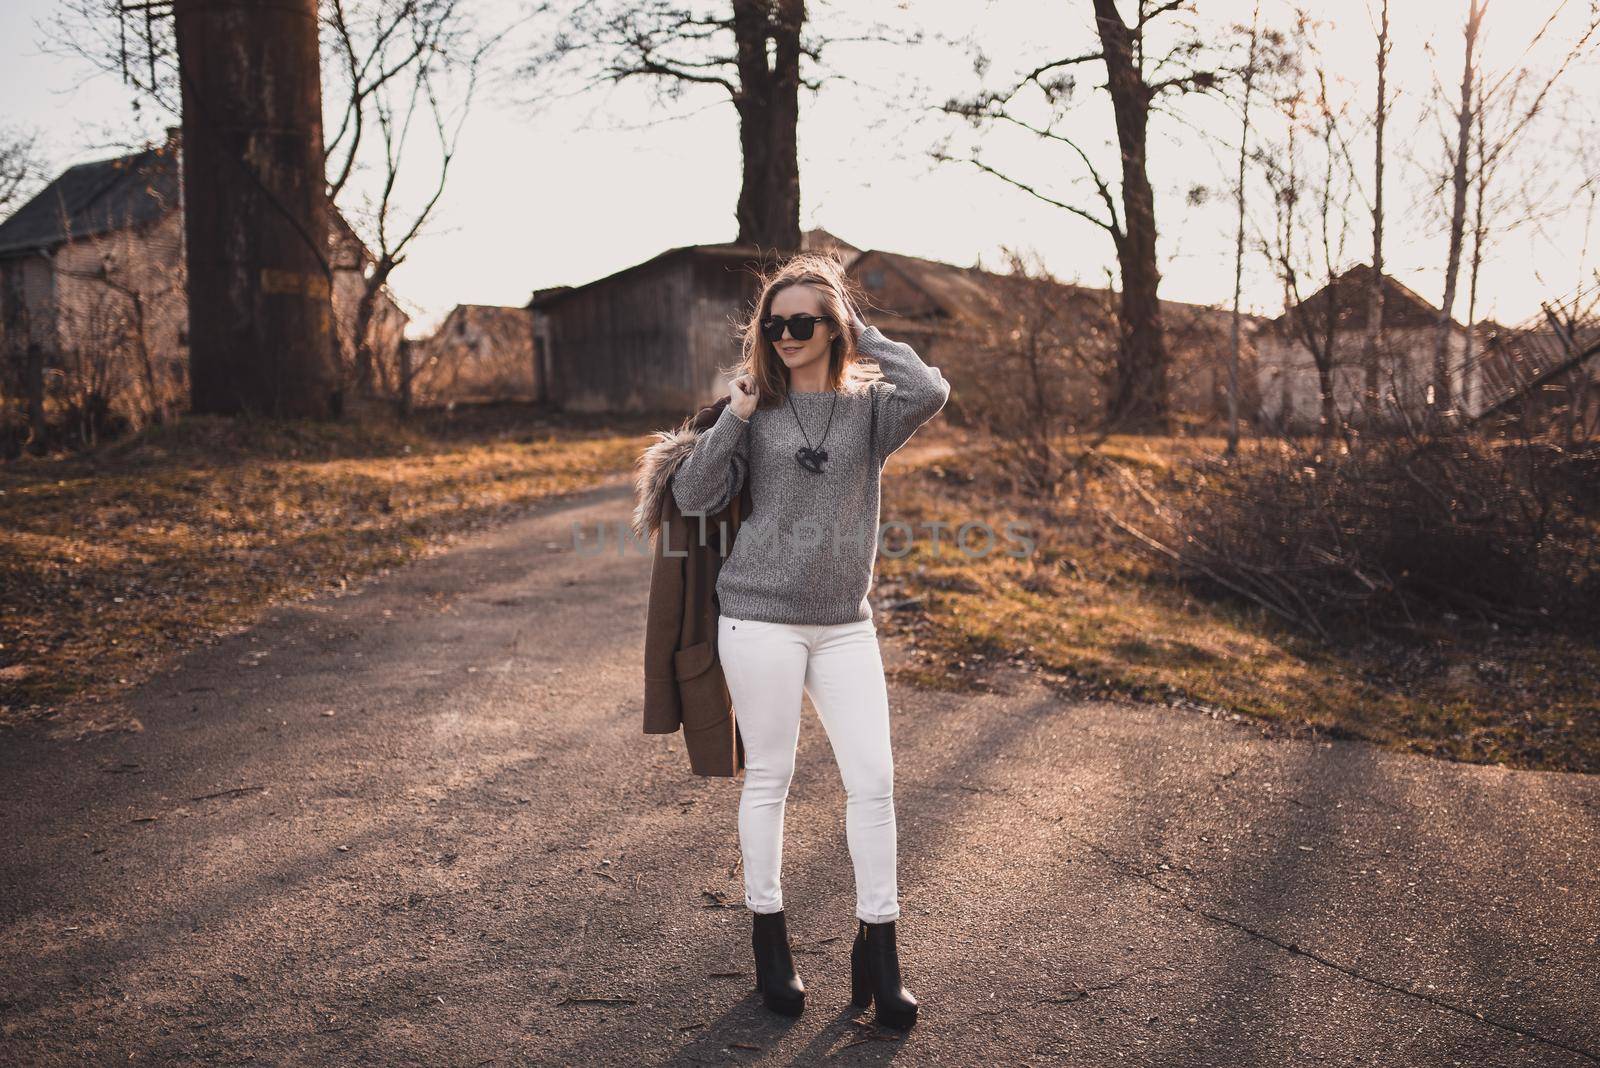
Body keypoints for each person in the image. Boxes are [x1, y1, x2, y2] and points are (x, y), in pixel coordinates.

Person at [670, 251, 951, 1029]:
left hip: (845, 626)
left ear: (833, 328)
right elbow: (691, 495)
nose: (786, 334)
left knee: (875, 780)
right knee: (771, 779)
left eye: (803, 322)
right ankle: (770, 940)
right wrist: (737, 415)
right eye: (775, 323)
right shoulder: (753, 409)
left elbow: (930, 388)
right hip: (757, 617)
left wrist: (865, 333)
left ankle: (880, 947)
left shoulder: (871, 414)